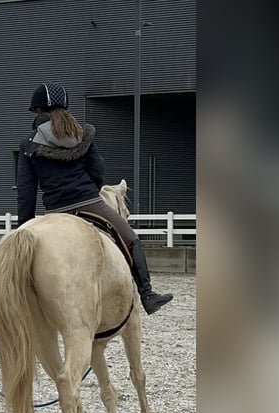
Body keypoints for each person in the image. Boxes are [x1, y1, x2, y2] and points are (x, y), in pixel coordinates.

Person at [17, 82, 173, 315]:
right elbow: (98, 170)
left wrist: (24, 227)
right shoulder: (82, 135)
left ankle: (24, 300)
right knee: (130, 238)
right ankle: (147, 295)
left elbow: (26, 192)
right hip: (89, 202)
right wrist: (88, 191)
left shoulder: (29, 145)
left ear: (39, 111)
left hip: (56, 210)